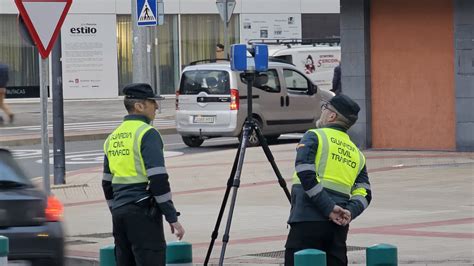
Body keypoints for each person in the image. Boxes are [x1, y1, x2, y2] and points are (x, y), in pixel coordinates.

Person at [102, 83, 185, 266]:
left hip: (120, 214)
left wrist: (115, 209)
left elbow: (106, 183)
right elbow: (158, 179)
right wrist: (172, 217)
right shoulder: (147, 133)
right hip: (143, 213)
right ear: (139, 106)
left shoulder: (113, 137)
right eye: (152, 102)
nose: (156, 107)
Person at [285, 94, 372, 266]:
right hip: (338, 227)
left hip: (307, 222)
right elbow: (365, 193)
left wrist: (329, 208)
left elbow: (305, 172)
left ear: (332, 116)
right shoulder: (356, 153)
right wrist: (350, 212)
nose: (322, 111)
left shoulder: (315, 136)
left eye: (324, 108)